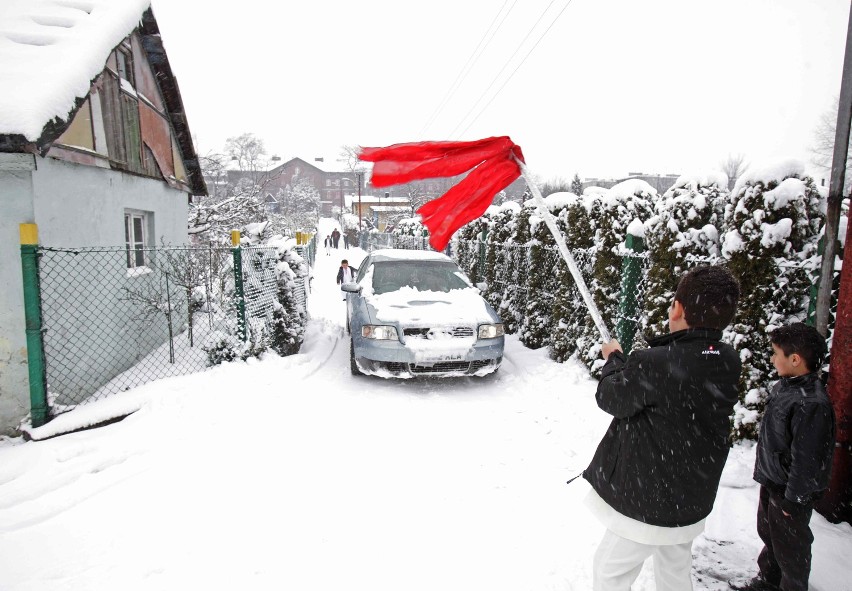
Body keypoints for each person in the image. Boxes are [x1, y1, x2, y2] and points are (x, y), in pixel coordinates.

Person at [583, 265, 742, 591]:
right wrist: (634, 367)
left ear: (679, 309)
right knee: (674, 572)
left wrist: (614, 360)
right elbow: (673, 389)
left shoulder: (655, 362)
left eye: (672, 304)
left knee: (609, 571)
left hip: (648, 503)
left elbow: (612, 397)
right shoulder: (727, 359)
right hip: (689, 499)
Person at [729, 324, 835, 591]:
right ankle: (769, 582)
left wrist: (794, 499)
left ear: (795, 359)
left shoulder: (811, 403)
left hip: (790, 491)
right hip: (775, 481)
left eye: (776, 354)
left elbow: (808, 459)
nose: (773, 359)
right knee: (771, 535)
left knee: (792, 550)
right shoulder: (786, 387)